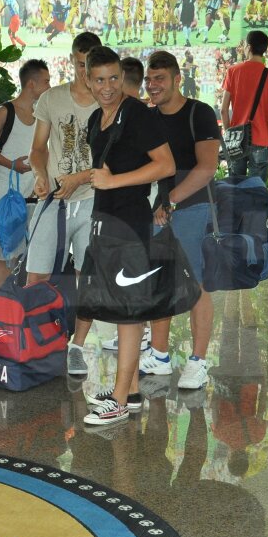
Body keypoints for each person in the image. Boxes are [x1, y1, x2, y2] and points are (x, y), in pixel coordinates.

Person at [78, 46, 175, 425]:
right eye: (99, 79)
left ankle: (117, 400)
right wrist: (76, 180)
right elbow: (101, 173)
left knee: (128, 313)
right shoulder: (94, 120)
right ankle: (130, 391)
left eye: (114, 78)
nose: (107, 87)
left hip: (131, 223)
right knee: (119, 307)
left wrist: (114, 181)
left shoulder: (136, 114)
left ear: (123, 77)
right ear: (87, 79)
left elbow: (165, 165)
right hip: (105, 220)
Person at [141, 50, 220, 390]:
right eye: (148, 80)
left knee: (194, 284)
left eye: (159, 79)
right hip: (162, 208)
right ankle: (159, 354)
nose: (152, 85)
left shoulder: (199, 113)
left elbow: (206, 167)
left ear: (177, 79)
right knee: (160, 281)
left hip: (194, 207)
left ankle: (198, 361)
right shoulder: (148, 117)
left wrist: (171, 201)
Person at [29, 31, 101, 377]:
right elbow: (38, 147)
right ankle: (34, 338)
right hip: (53, 200)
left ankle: (76, 348)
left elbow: (112, 162)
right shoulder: (52, 99)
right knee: (37, 274)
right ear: (71, 59)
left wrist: (79, 179)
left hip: (91, 202)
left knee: (86, 277)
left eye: (90, 64)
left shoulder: (109, 103)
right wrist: (40, 174)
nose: (84, 70)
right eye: (79, 62)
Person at [0, 58, 51, 286]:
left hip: (34, 197)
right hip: (6, 197)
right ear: (31, 84)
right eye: (46, 82)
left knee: (29, 258)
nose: (49, 87)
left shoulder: (43, 115)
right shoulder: (5, 111)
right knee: (3, 257)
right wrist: (11, 164)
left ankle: (19, 309)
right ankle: (1, 313)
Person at [220, 30, 268, 180]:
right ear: (265, 49)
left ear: (248, 47)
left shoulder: (233, 71)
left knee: (235, 187)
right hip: (261, 139)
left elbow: (223, 110)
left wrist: (229, 135)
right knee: (257, 191)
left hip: (237, 139)